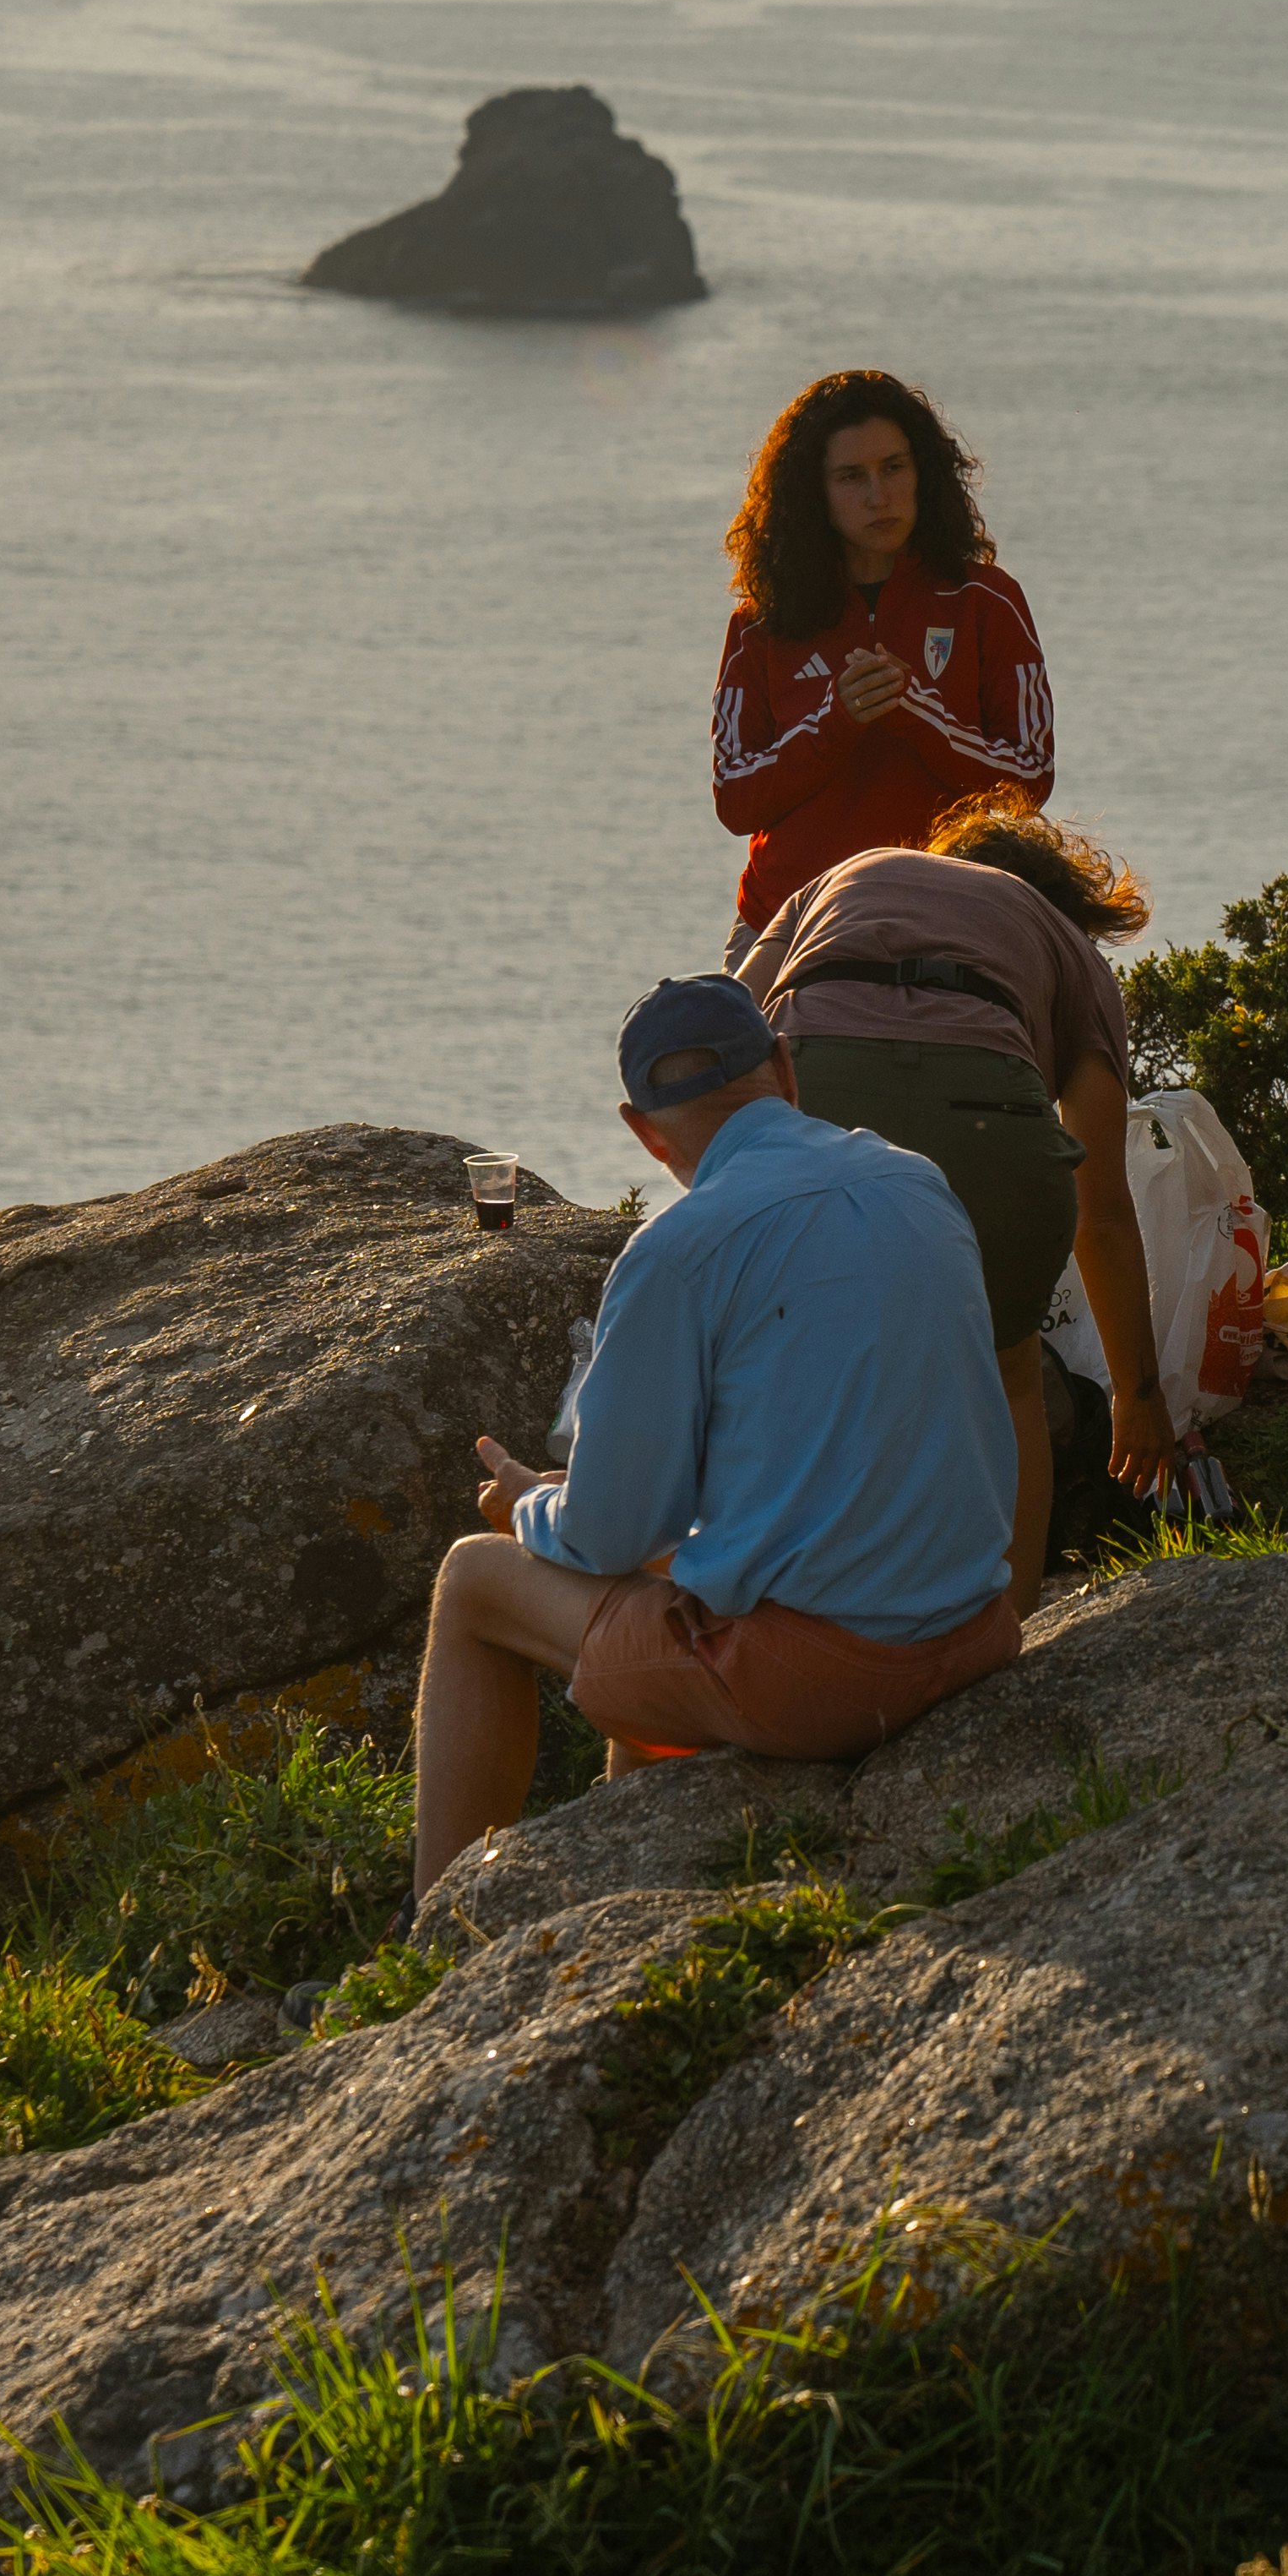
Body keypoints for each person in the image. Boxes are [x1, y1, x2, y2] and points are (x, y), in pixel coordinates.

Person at [407, 976, 1022, 1900]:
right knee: (678, 1574)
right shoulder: (915, 1178)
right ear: (782, 1067)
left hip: (830, 1681)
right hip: (976, 1627)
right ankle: (637, 1883)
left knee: (473, 1578)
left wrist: (527, 1501)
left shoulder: (680, 1249)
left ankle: (430, 1930)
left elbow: (607, 1533)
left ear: (643, 1130)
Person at [737, 798, 1185, 1600]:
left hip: (812, 1092)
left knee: (794, 1353)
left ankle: (785, 1602)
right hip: (991, 1127)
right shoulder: (1069, 951)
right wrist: (1137, 1397)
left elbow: (729, 1022)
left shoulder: (845, 877)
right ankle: (1006, 1628)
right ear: (1068, 904)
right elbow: (1104, 1207)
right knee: (1010, 1377)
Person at [710, 369, 1053, 935]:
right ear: (814, 494)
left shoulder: (988, 601)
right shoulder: (760, 624)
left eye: (893, 467)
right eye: (851, 477)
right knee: (705, 1027)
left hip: (944, 920)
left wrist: (915, 715)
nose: (878, 496)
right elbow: (735, 798)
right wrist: (834, 723)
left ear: (924, 473)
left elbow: (1031, 777)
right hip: (785, 925)